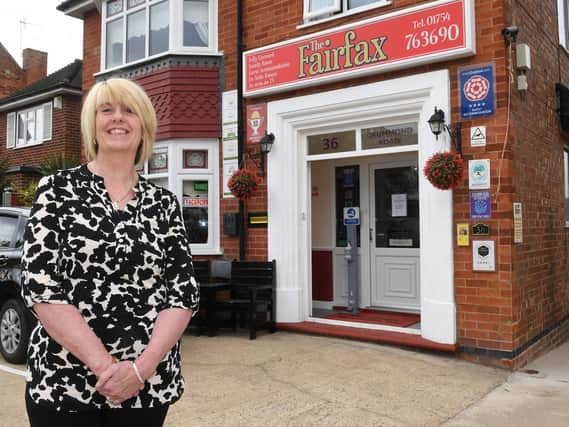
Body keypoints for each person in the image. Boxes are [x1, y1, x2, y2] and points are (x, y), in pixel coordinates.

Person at [21, 77, 200, 427]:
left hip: (146, 388)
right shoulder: (57, 190)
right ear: (92, 124)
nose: (118, 118)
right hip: (63, 383)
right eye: (107, 110)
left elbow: (182, 293)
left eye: (129, 111)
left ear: (144, 126)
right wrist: (107, 368)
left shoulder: (163, 203)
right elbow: (41, 286)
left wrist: (139, 370)